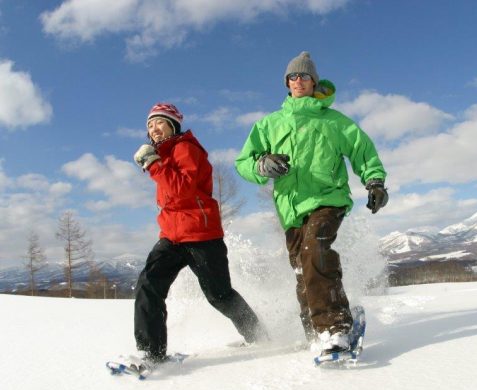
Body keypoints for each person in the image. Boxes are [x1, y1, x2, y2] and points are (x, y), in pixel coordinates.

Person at [235, 52, 388, 355]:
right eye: (293, 77)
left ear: (314, 81)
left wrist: (374, 181)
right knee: (302, 270)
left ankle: (335, 328)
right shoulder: (270, 124)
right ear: (286, 83)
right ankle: (315, 334)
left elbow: (363, 151)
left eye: (304, 76)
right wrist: (262, 165)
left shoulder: (333, 121)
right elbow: (244, 162)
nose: (298, 81)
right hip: (290, 208)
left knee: (315, 251)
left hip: (328, 199)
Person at [133, 102, 265, 362]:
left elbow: (182, 189)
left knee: (220, 296)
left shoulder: (186, 149)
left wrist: (153, 164)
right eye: (150, 125)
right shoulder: (164, 156)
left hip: (202, 236)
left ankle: (258, 335)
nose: (154, 129)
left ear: (173, 124)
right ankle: (151, 354)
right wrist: (156, 163)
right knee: (148, 285)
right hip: (171, 237)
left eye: (159, 122)